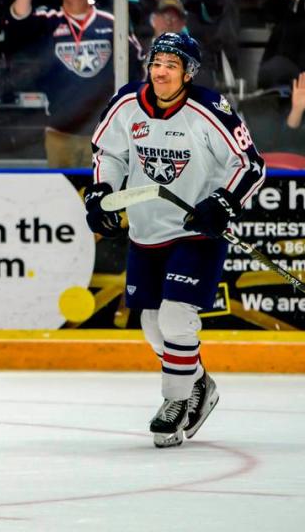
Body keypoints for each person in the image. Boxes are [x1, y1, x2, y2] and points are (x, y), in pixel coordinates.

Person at [86, 32, 265, 448]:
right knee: (151, 324)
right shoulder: (127, 102)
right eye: (156, 63)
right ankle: (200, 383)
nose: (161, 71)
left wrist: (223, 202)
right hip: (147, 230)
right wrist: (100, 192)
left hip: (197, 230)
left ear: (188, 72)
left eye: (171, 64)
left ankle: (176, 402)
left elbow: (250, 166)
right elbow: (108, 154)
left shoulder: (210, 109)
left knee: (174, 318)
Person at [6, 0, 142, 167]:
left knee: (104, 199)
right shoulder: (49, 20)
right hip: (61, 133)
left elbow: (136, 64)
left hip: (105, 136)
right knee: (64, 199)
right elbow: (18, 26)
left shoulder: (111, 24)